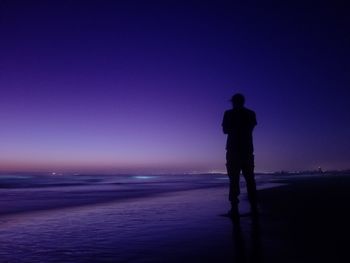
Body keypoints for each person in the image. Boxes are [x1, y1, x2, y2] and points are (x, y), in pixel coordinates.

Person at [222, 93, 258, 217]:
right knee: (250, 179)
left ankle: (234, 208)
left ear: (233, 102)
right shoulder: (251, 114)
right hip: (247, 149)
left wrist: (234, 127)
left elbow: (225, 130)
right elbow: (251, 127)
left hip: (233, 150)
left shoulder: (228, 114)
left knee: (234, 179)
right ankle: (254, 207)